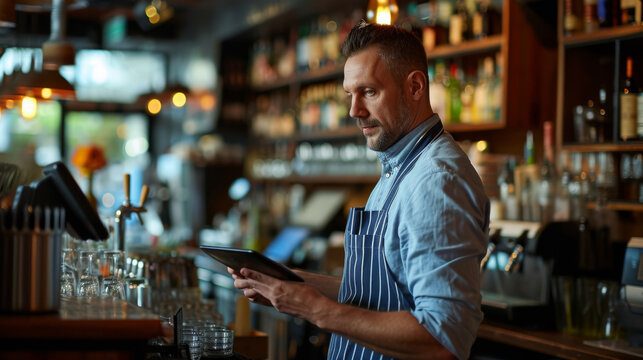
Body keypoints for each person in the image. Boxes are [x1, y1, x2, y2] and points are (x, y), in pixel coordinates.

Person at [229, 21, 490, 360]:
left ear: (414, 86)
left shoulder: (437, 180)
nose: (354, 111)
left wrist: (318, 311)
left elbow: (442, 338)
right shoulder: (399, 167)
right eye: (349, 95)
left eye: (369, 92)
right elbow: (378, 295)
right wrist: (292, 285)